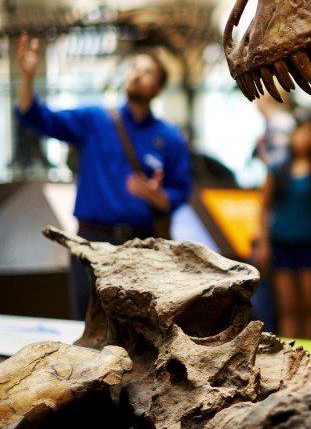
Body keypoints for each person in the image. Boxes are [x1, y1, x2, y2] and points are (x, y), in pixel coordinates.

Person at [15, 31, 193, 320]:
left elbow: (181, 191)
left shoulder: (170, 138)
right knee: (86, 325)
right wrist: (27, 76)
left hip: (141, 245)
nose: (136, 75)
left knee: (137, 328)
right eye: (134, 67)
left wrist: (155, 195)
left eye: (146, 72)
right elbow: (35, 117)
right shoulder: (95, 120)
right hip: (91, 240)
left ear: (158, 88)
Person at [254, 112, 311, 339]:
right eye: (301, 131)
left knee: (310, 304)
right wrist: (263, 243)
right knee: (287, 307)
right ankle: (289, 355)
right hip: (281, 242)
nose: (305, 138)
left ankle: (310, 353)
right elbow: (264, 208)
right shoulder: (277, 169)